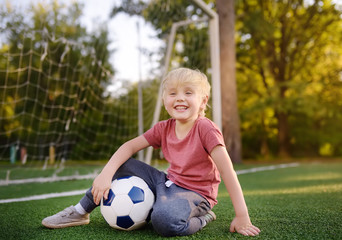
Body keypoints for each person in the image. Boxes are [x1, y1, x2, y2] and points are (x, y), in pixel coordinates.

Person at [42, 68, 260, 237]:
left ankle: (204, 218)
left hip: (196, 194)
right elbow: (128, 147)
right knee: (123, 164)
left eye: (188, 92)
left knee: (164, 222)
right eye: (173, 93)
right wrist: (105, 174)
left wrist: (242, 216)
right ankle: (80, 211)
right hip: (166, 182)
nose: (180, 98)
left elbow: (228, 171)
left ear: (203, 100)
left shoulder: (205, 128)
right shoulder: (164, 127)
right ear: (165, 100)